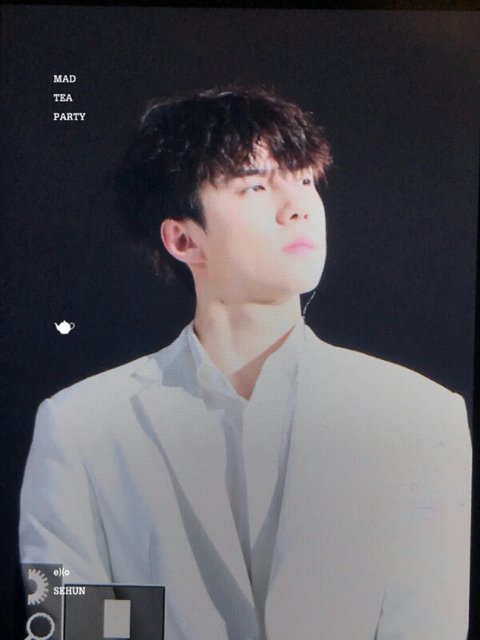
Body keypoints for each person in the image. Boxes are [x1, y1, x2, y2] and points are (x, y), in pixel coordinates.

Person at [20, 86, 471, 640]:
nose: (298, 207)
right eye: (256, 186)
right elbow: (73, 627)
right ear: (183, 239)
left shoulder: (421, 417)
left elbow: (428, 624)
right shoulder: (81, 425)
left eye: (305, 180)